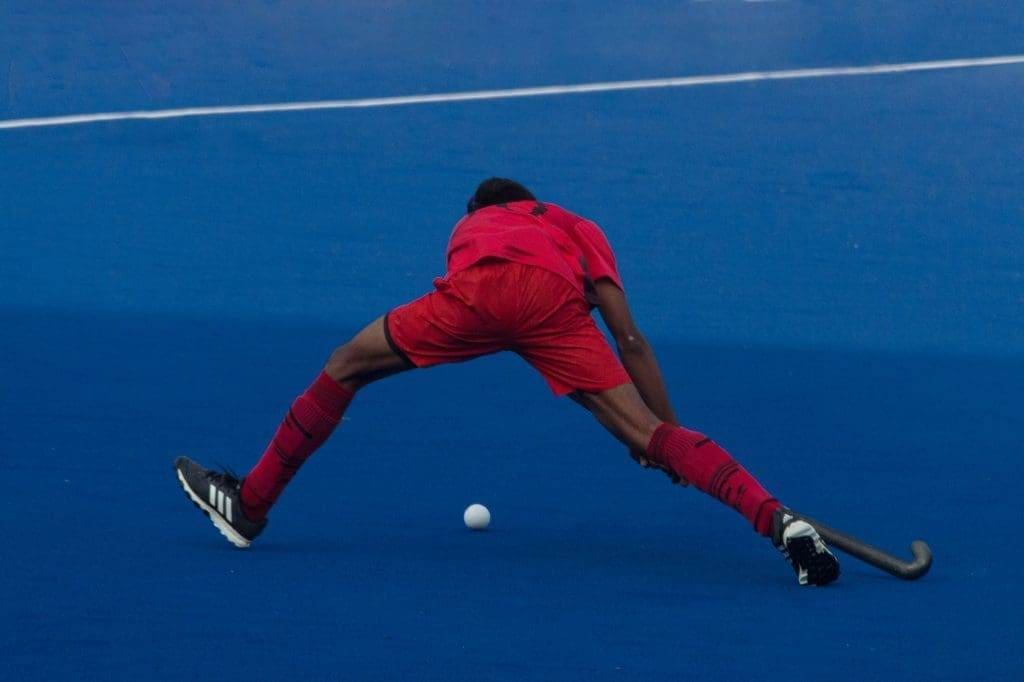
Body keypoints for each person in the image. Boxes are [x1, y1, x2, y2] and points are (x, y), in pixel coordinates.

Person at [174, 177, 839, 586]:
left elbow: (489, 298)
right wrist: (654, 439)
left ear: (484, 205)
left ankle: (251, 505)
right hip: (556, 305)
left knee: (348, 363)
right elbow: (628, 337)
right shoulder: (579, 228)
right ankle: (780, 522)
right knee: (655, 432)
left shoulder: (475, 222)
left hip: (483, 293)